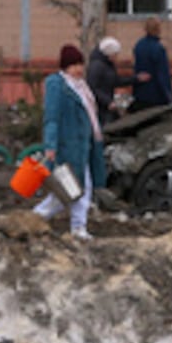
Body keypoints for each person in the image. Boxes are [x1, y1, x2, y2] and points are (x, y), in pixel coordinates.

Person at [33, 44, 105, 241]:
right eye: (74, 64)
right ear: (65, 66)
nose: (79, 69)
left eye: (80, 64)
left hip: (83, 146)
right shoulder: (58, 85)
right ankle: (35, 217)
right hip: (68, 146)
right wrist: (50, 146)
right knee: (65, 191)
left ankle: (79, 227)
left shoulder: (81, 86)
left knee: (83, 187)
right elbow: (52, 118)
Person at [85, 36, 135, 126]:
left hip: (106, 105)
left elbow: (115, 80)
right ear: (109, 53)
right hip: (102, 108)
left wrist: (135, 79)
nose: (116, 57)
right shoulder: (98, 66)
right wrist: (107, 101)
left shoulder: (106, 65)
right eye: (115, 54)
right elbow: (93, 87)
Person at [131, 16, 172, 112]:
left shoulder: (139, 45)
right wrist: (169, 97)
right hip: (156, 97)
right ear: (158, 29)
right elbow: (163, 74)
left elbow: (135, 68)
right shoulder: (158, 49)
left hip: (140, 94)